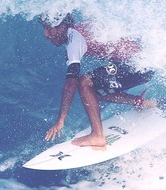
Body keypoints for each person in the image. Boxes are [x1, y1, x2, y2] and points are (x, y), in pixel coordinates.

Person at [40, 13, 156, 149]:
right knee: (94, 91)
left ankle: (97, 135)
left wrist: (60, 120)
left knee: (84, 82)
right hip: (142, 64)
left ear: (62, 26)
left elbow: (71, 84)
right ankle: (142, 103)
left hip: (136, 66)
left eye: (49, 28)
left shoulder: (74, 40)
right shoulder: (80, 30)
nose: (46, 34)